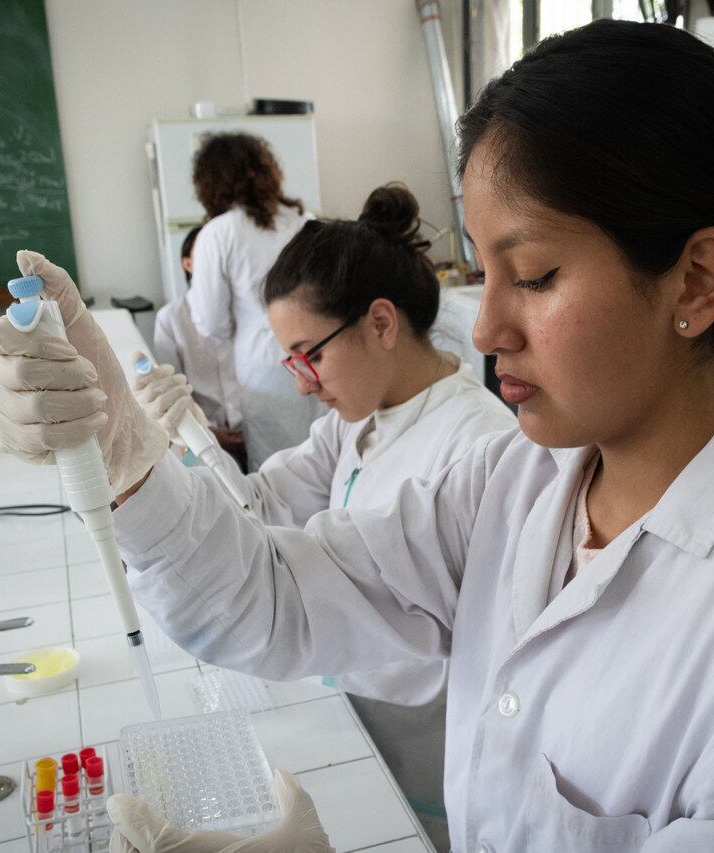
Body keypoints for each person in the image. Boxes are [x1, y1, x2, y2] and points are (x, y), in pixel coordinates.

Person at [0, 20, 714, 853]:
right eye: (483, 269)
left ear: (698, 280)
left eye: (535, 274)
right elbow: (273, 600)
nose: (489, 328)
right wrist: (122, 455)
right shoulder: (518, 481)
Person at [133, 183, 516, 849]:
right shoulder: (359, 421)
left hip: (425, 735)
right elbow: (260, 509)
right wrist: (188, 444)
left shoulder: (478, 445)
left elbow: (301, 585)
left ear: (380, 323)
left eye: (309, 354)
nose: (302, 382)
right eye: (291, 360)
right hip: (354, 703)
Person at [188, 132, 322, 470]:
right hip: (321, 360)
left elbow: (210, 323)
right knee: (326, 459)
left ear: (209, 184)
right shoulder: (306, 221)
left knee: (278, 473)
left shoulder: (218, 233)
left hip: (265, 371)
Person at [152, 224, 246, 461]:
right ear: (188, 264)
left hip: (255, 430)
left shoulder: (248, 312)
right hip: (203, 435)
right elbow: (171, 391)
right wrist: (208, 432)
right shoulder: (170, 318)